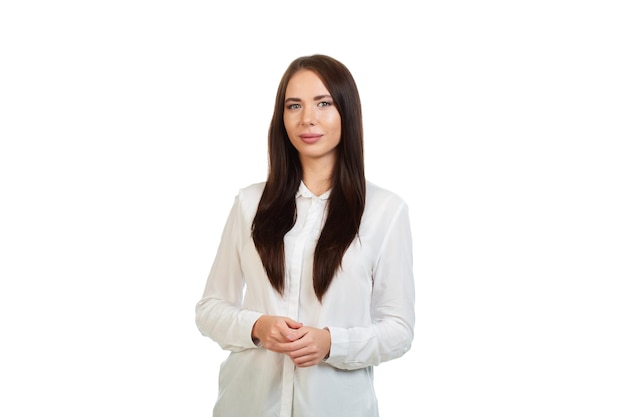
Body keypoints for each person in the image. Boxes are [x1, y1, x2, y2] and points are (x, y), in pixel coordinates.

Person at [195, 54, 415, 417]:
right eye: (293, 105)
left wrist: (331, 343)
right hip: (247, 406)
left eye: (323, 103)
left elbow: (398, 330)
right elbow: (209, 309)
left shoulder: (385, 212)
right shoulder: (250, 203)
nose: (307, 118)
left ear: (346, 111)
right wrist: (257, 327)